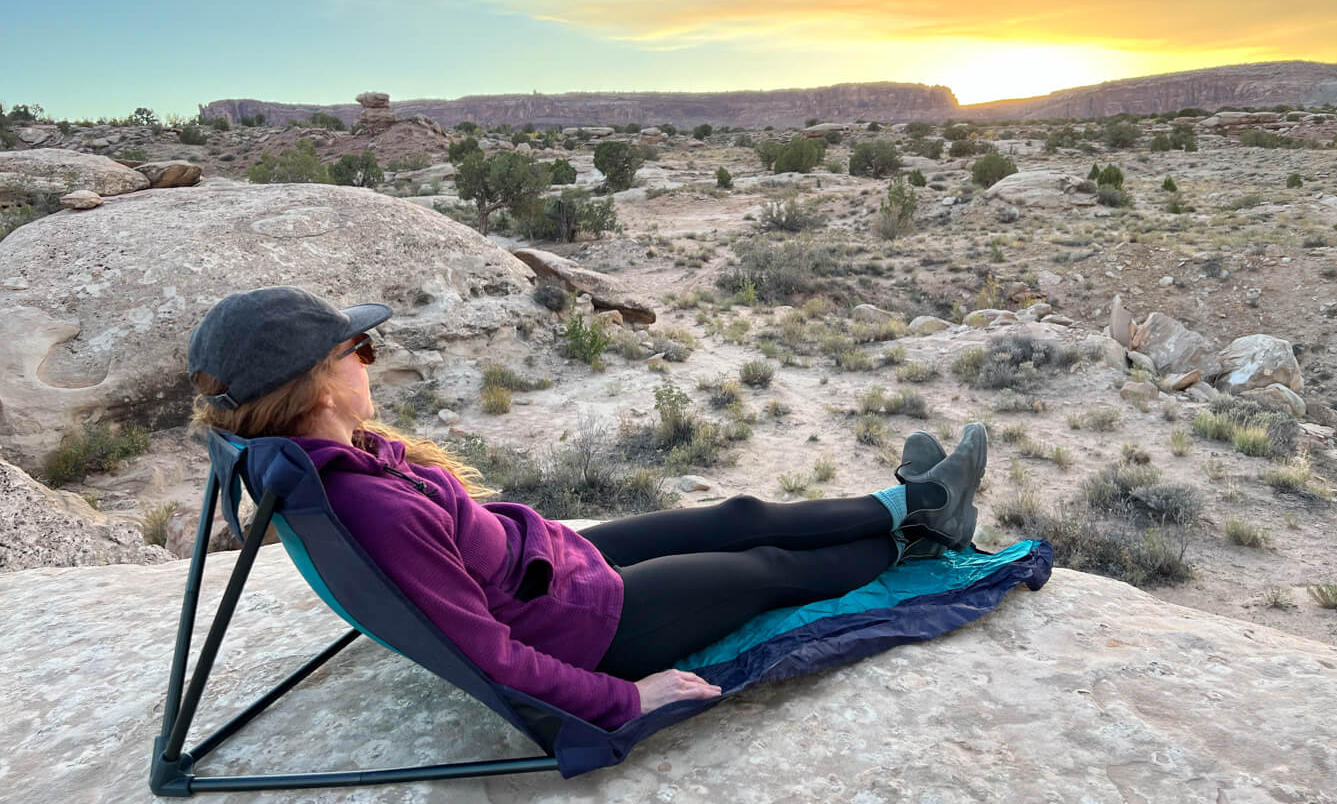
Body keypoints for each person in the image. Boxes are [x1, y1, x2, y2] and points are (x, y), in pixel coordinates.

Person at [187, 287, 988, 730]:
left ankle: (917, 500)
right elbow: (489, 658)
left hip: (552, 568)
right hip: (585, 630)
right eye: (358, 350)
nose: (371, 361)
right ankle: (918, 542)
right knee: (767, 571)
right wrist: (628, 700)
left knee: (736, 512)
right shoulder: (368, 507)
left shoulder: (318, 462)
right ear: (318, 386)